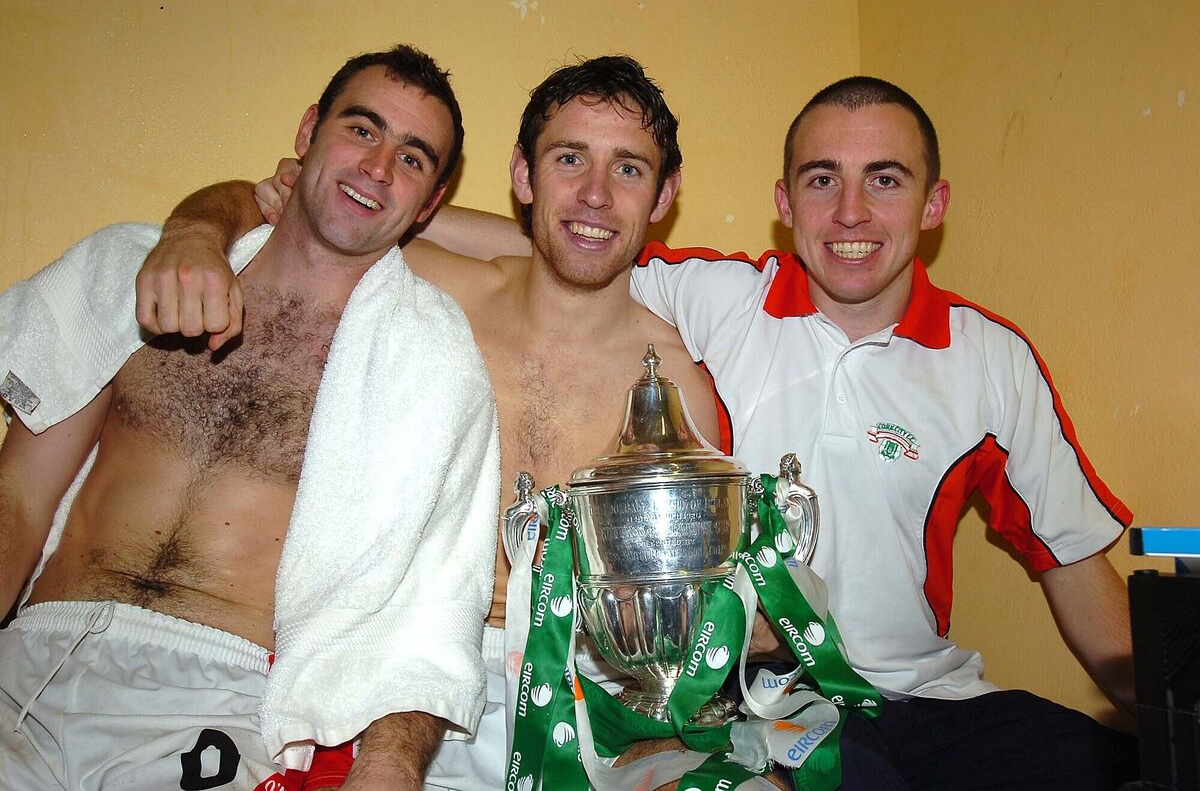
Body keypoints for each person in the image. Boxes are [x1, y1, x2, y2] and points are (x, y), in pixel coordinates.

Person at [244, 75, 1143, 788]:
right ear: (784, 201)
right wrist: (291, 209)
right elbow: (572, 243)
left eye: (886, 181)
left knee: (1110, 764)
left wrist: (1163, 710)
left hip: (932, 690)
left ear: (934, 202)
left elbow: (1073, 565)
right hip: (772, 694)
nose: (853, 214)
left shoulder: (992, 360)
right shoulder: (714, 298)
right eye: (823, 180)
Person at [0, 45, 500, 790]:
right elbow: (19, 498)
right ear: (307, 133)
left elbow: (429, 612)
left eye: (413, 159)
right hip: (31, 662)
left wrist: (387, 770)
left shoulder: (430, 361)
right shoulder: (138, 270)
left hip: (213, 700)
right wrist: (194, 227)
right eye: (362, 130)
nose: (377, 168)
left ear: (429, 205)